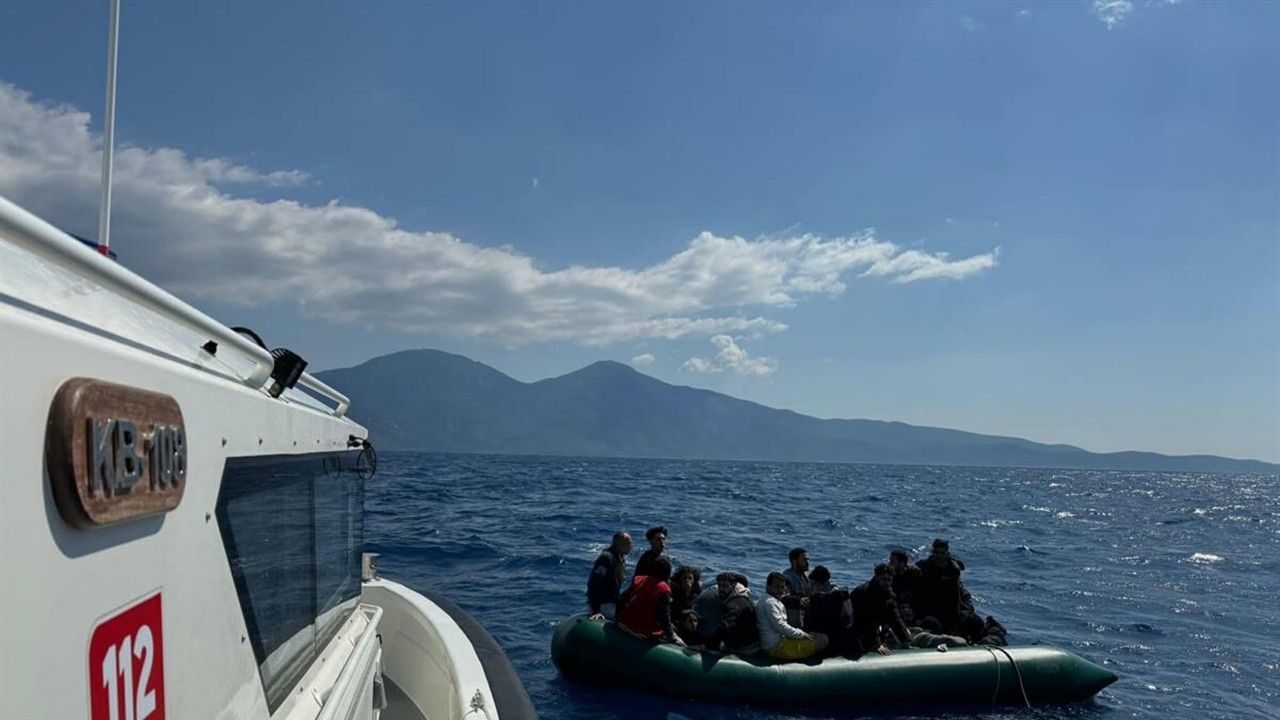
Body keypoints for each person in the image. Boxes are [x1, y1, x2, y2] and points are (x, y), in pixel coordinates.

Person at [757, 572, 828, 661]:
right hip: (777, 647)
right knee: (822, 640)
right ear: (768, 586)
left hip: (775, 642)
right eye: (776, 586)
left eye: (782, 587)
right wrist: (802, 634)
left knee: (814, 635)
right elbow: (780, 626)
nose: (780, 590)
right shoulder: (770, 603)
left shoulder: (767, 598)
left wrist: (801, 633)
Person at [617, 557, 685, 645]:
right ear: (668, 573)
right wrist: (672, 636)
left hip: (625, 623)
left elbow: (623, 598)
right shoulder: (664, 589)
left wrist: (617, 619)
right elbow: (663, 616)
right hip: (642, 630)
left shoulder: (639, 579)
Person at [848, 564, 910, 656]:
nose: (887, 583)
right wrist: (877, 644)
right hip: (854, 630)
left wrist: (905, 640)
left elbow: (896, 619)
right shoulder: (865, 593)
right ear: (877, 578)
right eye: (884, 579)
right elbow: (867, 621)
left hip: (871, 630)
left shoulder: (889, 596)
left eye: (889, 580)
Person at [914, 538, 969, 633]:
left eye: (942, 553)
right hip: (928, 602)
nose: (939, 556)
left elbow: (955, 595)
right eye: (936, 552)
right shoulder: (925, 565)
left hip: (946, 603)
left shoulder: (953, 568)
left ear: (947, 553)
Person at [587, 530, 632, 620]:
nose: (630, 546)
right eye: (627, 543)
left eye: (630, 543)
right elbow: (593, 583)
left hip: (612, 603)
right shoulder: (606, 559)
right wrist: (596, 610)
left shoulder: (620, 559)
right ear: (617, 544)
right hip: (603, 605)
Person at [712, 572, 760, 655]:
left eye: (724, 586)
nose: (721, 589)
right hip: (753, 643)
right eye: (719, 586)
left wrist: (706, 644)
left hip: (745, 648)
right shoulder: (743, 599)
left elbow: (725, 628)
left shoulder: (733, 605)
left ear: (733, 586)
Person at [888, 549, 923, 621]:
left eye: (893, 562)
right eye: (890, 561)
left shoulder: (914, 575)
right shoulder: (890, 577)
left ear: (902, 563)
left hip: (914, 611)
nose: (889, 564)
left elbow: (922, 597)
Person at [781, 547, 813, 627]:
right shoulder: (786, 577)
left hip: (809, 618)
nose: (808, 563)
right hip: (794, 621)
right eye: (804, 560)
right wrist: (799, 600)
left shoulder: (809, 574)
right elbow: (782, 597)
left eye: (808, 560)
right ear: (794, 561)